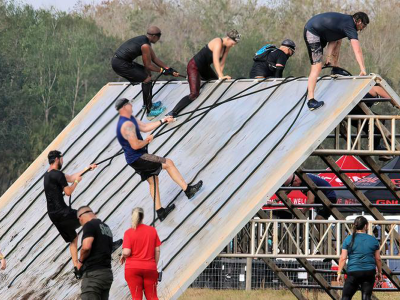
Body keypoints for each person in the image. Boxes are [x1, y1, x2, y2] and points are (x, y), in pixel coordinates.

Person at [115, 98, 203, 221]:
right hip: (138, 157)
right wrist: (147, 140)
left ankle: (160, 212)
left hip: (135, 158)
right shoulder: (126, 125)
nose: (131, 105)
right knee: (168, 163)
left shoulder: (130, 118)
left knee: (153, 180)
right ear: (124, 108)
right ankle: (188, 190)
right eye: (129, 104)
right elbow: (135, 145)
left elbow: (145, 127)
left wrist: (163, 120)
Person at [166, 29, 241, 118]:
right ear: (228, 39)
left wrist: (222, 76)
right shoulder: (218, 42)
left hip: (205, 68)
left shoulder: (226, 47)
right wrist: (221, 76)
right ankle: (173, 112)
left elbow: (222, 63)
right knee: (194, 94)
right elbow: (215, 60)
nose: (232, 46)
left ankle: (202, 84)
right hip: (194, 67)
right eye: (232, 44)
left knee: (217, 83)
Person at [44, 150, 97, 274]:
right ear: (57, 159)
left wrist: (87, 168)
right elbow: (68, 192)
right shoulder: (58, 175)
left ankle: (76, 268)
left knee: (73, 238)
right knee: (90, 217)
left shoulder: (48, 174)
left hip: (53, 215)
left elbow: (71, 177)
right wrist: (77, 182)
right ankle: (104, 247)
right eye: (62, 158)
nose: (63, 160)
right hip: (62, 212)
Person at [304, 12, 369, 111]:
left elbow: (334, 39)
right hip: (312, 32)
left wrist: (329, 57)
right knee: (317, 66)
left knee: (339, 40)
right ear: (359, 21)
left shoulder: (344, 22)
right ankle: (311, 100)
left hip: (320, 32)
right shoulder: (350, 26)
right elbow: (357, 50)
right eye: (363, 26)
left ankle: (335, 68)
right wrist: (362, 69)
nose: (362, 29)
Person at [112, 26, 180, 118]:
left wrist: (168, 69)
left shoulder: (145, 41)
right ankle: (149, 111)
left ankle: (148, 104)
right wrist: (162, 70)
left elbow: (154, 59)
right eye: (159, 36)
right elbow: (148, 65)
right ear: (154, 36)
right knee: (147, 79)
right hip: (120, 64)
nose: (159, 39)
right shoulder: (145, 46)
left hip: (124, 62)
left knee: (147, 76)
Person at [337, 216, 382, 300]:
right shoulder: (373, 240)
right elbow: (378, 259)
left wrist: (339, 272)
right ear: (366, 226)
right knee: (366, 296)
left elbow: (343, 258)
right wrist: (379, 272)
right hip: (369, 272)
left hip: (354, 271)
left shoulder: (348, 239)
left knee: (346, 296)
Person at [120, 207, 161, 300]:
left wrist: (123, 254)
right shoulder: (152, 230)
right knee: (153, 296)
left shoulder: (128, 232)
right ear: (143, 217)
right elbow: (157, 250)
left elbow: (127, 252)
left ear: (132, 217)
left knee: (136, 297)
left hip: (133, 269)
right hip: (150, 268)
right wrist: (154, 265)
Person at [76, 206, 114, 300]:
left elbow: (86, 247)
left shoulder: (89, 225)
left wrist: (80, 262)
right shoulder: (106, 227)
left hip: (94, 275)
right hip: (106, 274)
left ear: (80, 217)